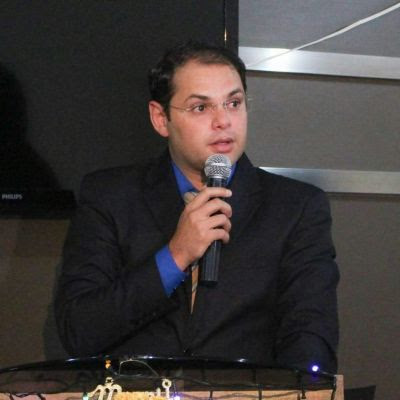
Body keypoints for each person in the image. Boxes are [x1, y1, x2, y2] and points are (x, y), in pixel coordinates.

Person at [55, 41, 339, 373]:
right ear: (160, 118)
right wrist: (176, 255)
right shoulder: (110, 196)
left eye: (233, 103)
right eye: (201, 108)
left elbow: (311, 337)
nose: (223, 121)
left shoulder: (296, 208)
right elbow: (79, 331)